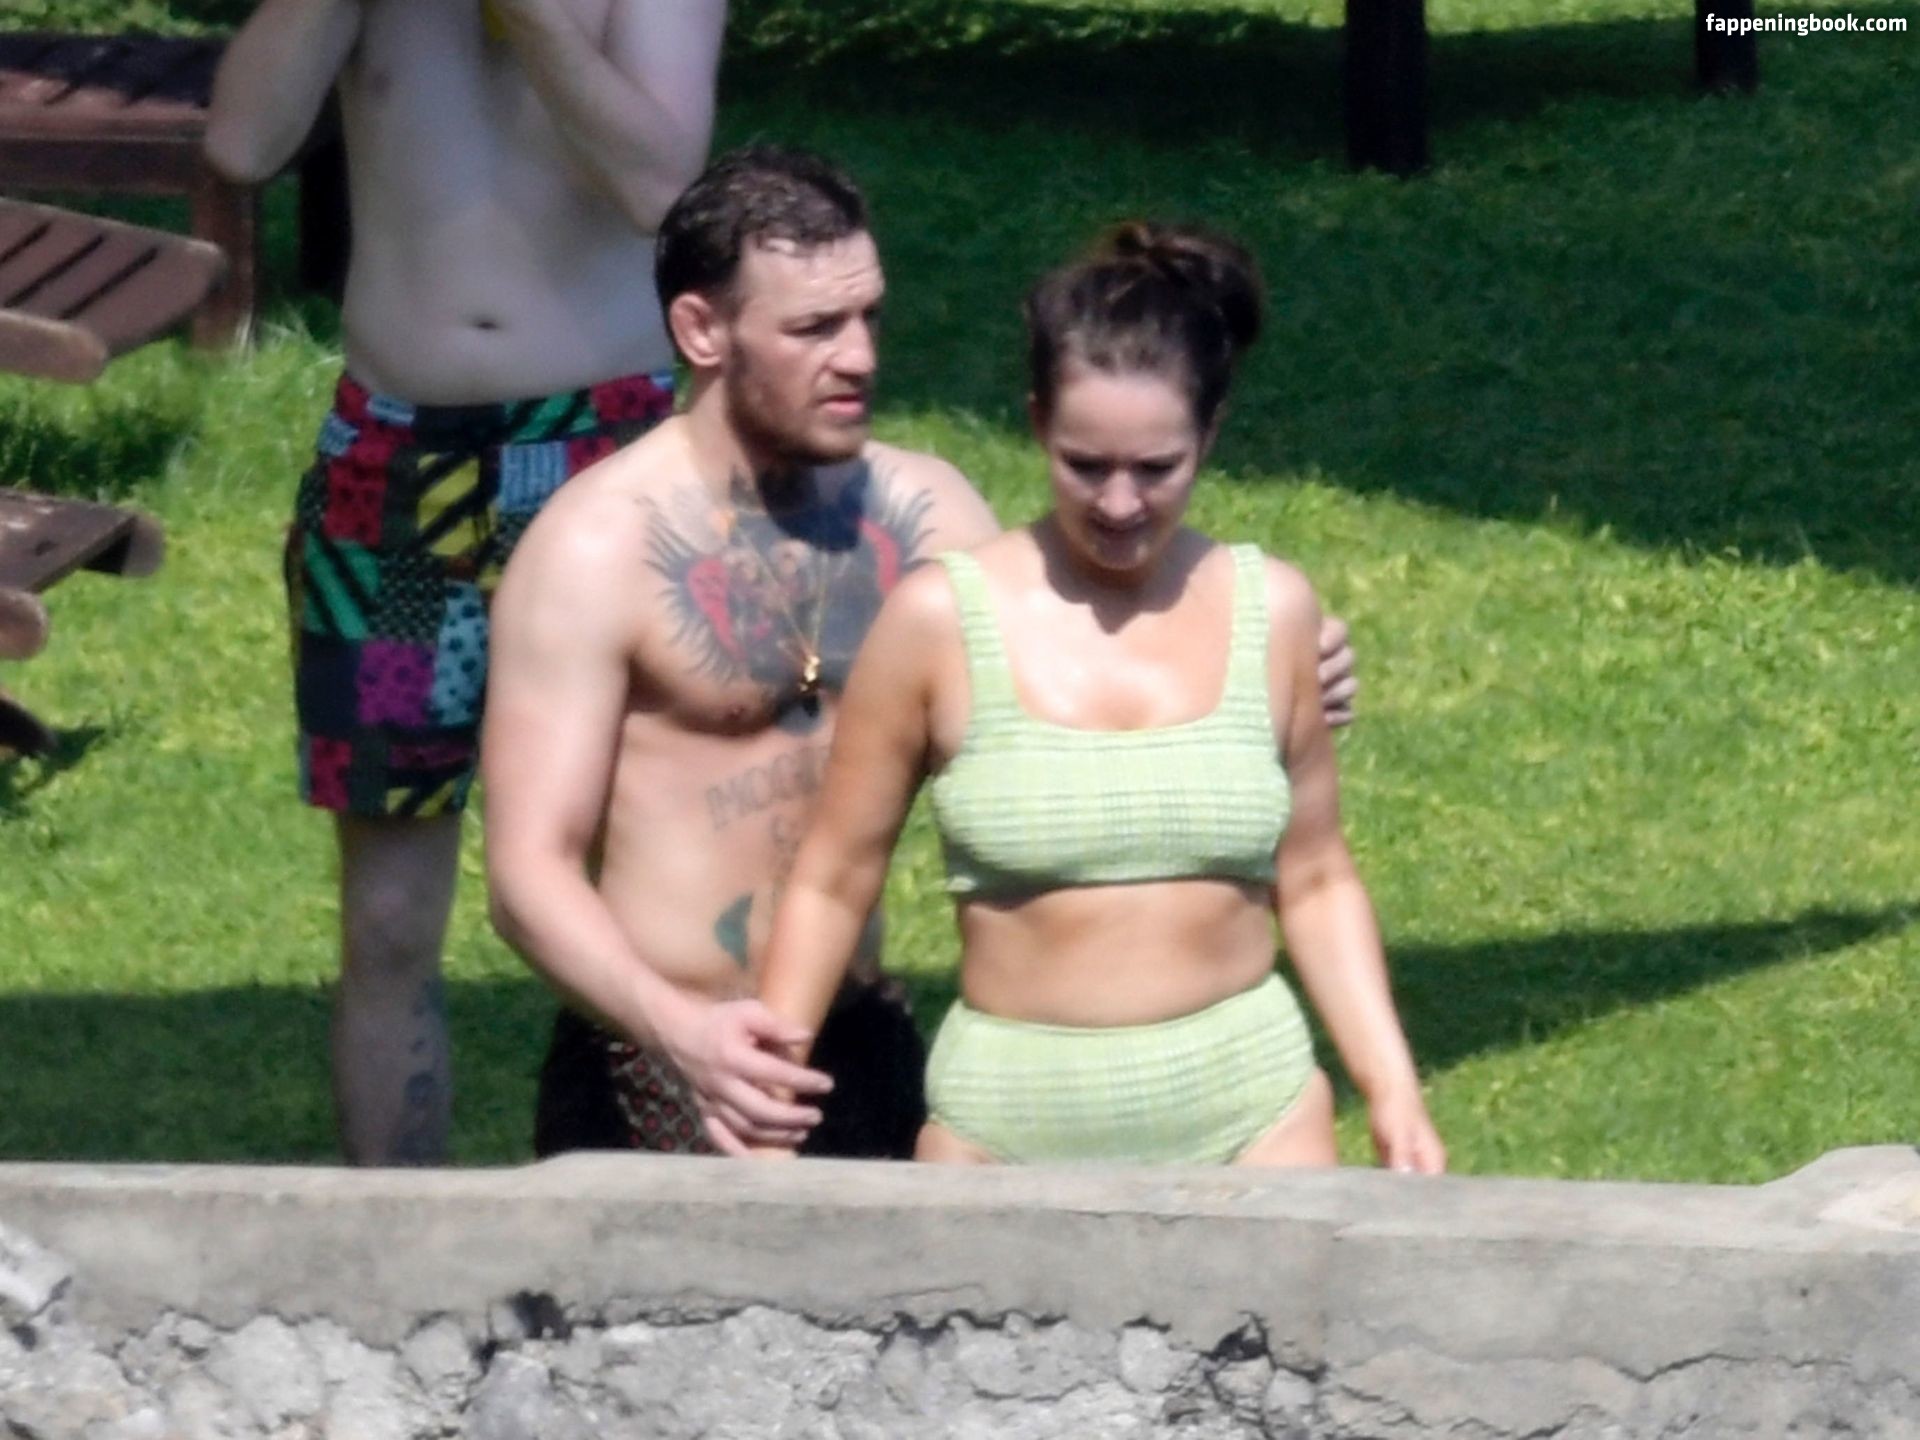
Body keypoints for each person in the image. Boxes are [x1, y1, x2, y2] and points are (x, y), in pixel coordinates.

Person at [481, 149, 1363, 1159]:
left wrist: (1275, 662)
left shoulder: (928, 512)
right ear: (701, 331)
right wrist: (681, 1032)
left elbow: (1084, 647)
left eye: (869, 317)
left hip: (861, 1045)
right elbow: (527, 875)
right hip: (666, 1062)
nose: (859, 355)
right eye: (815, 328)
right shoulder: (597, 548)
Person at [736, 222, 1443, 1169]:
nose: (1118, 504)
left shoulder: (1273, 611)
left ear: (1210, 436)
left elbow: (1315, 879)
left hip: (1254, 1116)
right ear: (1036, 425)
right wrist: (772, 1098)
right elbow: (834, 878)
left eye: (1156, 469)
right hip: (1005, 1129)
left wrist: (1393, 1090)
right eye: (1085, 465)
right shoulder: (939, 620)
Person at [203, 0, 727, 1164]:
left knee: (649, 883)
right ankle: (397, 1243)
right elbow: (241, 143)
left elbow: (661, 187)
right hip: (398, 484)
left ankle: (668, 1229)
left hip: (606, 464)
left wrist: (532, 21)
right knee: (389, 918)